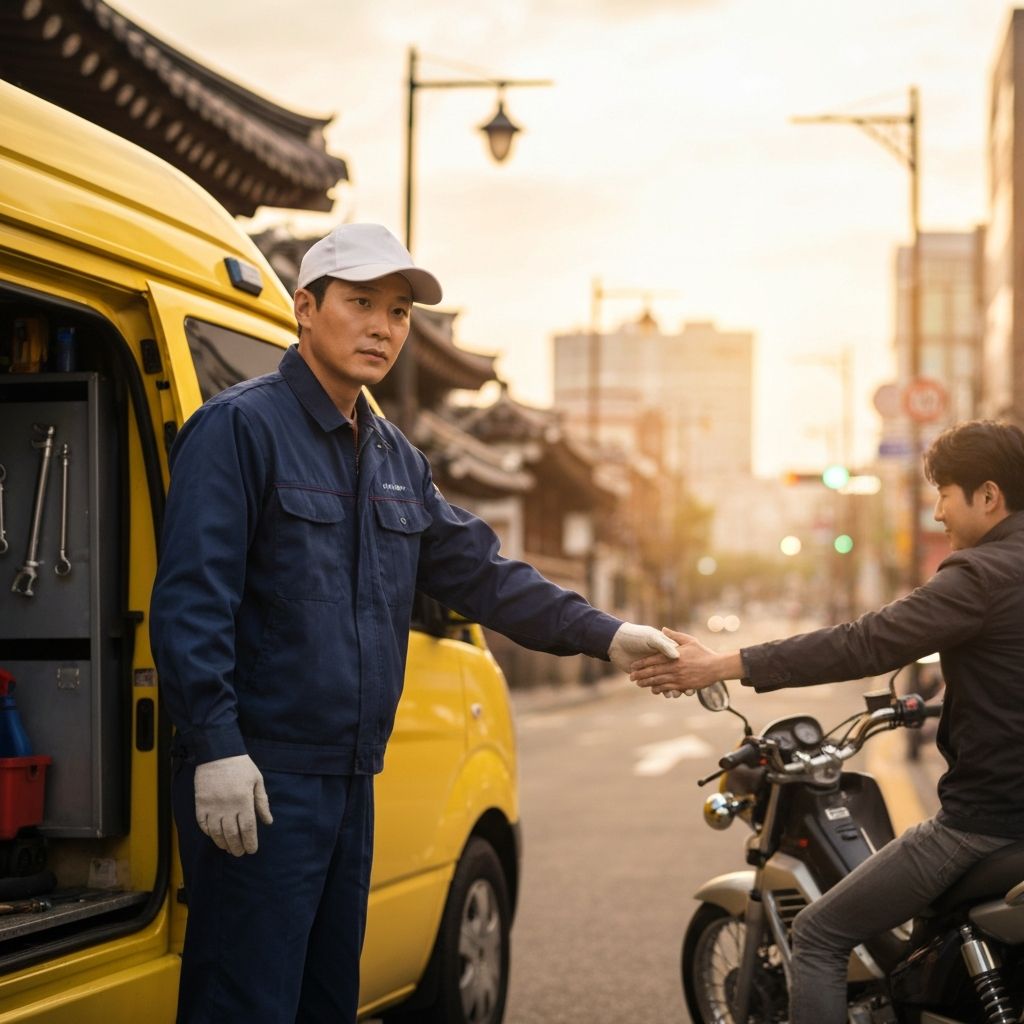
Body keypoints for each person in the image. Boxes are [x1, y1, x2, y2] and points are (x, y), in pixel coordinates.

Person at [149, 222, 677, 1024]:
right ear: (305, 307)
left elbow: (482, 574)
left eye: (398, 311)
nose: (383, 327)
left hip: (353, 773)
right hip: (261, 776)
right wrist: (217, 747)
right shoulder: (240, 429)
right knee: (246, 1001)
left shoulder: (394, 456)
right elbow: (192, 600)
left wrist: (605, 634)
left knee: (329, 999)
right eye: (361, 303)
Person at [629, 419, 1024, 1024]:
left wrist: (723, 665)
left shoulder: (978, 575)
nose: (939, 512)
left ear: (989, 496)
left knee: (818, 933)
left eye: (945, 493)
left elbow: (861, 644)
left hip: (986, 819)